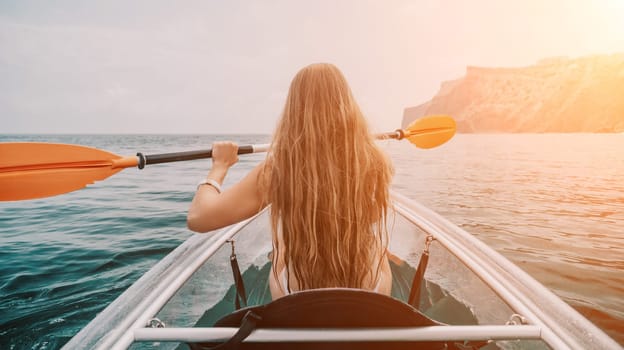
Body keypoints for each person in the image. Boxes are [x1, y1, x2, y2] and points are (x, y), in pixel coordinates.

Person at [187, 63, 394, 300]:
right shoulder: (375, 162)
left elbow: (198, 218)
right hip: (371, 288)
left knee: (283, 245)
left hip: (294, 292)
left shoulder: (277, 169)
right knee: (375, 245)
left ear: (294, 110)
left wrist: (219, 167)